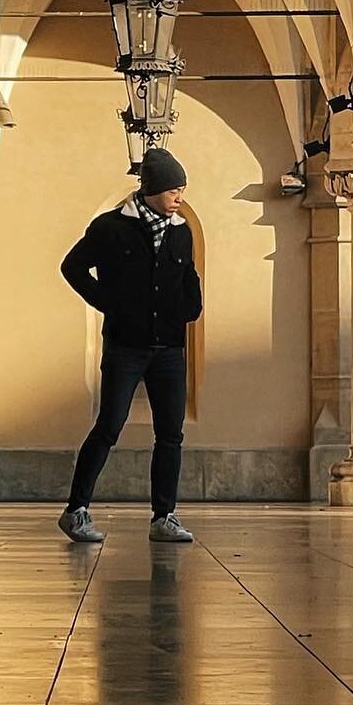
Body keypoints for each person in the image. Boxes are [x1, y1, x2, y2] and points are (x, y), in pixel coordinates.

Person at [57, 146, 203, 545]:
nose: (179, 197)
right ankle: (76, 511)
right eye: (174, 189)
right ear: (153, 189)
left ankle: (164, 517)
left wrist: (190, 308)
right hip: (125, 346)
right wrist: (109, 304)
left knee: (170, 433)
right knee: (109, 425)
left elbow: (188, 276)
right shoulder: (109, 228)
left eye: (182, 189)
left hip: (170, 349)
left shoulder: (181, 232)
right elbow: (72, 267)